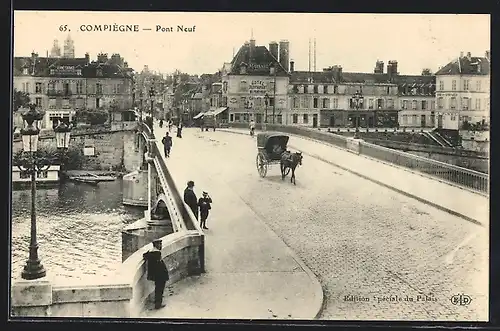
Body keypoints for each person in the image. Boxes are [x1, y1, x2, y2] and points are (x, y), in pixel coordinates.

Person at [143, 239, 169, 309]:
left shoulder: (151, 252)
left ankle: (157, 302)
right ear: (156, 245)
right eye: (159, 244)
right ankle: (158, 304)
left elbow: (145, 256)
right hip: (160, 276)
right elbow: (159, 266)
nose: (161, 246)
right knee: (159, 289)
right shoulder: (156, 254)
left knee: (158, 288)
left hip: (156, 276)